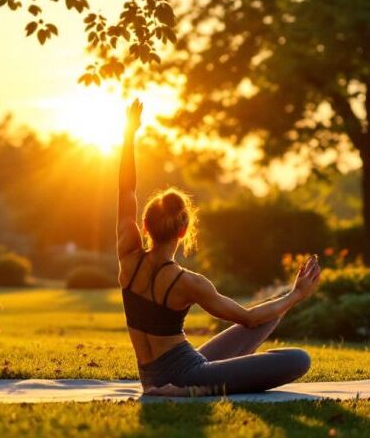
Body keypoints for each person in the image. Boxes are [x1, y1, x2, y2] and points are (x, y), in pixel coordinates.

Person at [117, 99, 320, 396]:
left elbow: (126, 190)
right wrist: (299, 295)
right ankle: (197, 387)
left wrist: (128, 135)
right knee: (298, 359)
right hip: (188, 376)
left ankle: (194, 381)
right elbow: (247, 318)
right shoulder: (188, 282)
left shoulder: (128, 258)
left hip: (154, 374)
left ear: (145, 226)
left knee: (272, 313)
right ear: (184, 230)